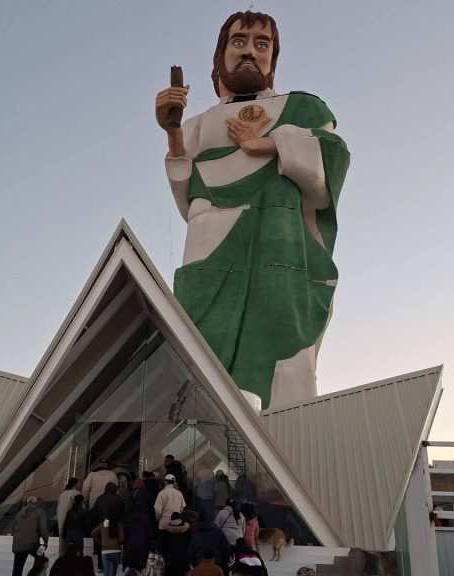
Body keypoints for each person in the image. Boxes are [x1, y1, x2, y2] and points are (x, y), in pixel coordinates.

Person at [155, 10, 350, 411]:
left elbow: (333, 158)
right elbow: (188, 192)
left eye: (262, 44)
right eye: (239, 42)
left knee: (283, 338)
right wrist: (173, 131)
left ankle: (285, 442)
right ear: (220, 56)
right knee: (201, 342)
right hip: (210, 247)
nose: (250, 52)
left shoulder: (302, 108)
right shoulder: (199, 123)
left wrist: (273, 144)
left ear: (273, 59)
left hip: (278, 249)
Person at [12, 496, 50, 576]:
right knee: (40, 560)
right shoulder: (40, 512)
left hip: (19, 543)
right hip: (33, 544)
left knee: (17, 568)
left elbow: (13, 528)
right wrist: (46, 541)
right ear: (36, 503)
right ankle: (33, 574)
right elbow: (43, 528)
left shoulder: (19, 513)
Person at [122, 504, 154, 573]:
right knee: (139, 570)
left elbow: (125, 535)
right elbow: (149, 536)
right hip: (142, 549)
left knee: (131, 571)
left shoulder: (128, 520)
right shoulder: (147, 520)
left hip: (130, 548)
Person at [160, 512, 193, 576]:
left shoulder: (166, 532)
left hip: (170, 562)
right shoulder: (187, 532)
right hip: (184, 561)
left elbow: (162, 548)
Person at [57, 478, 82, 555]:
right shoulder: (77, 493)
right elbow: (81, 508)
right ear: (75, 484)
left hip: (61, 520)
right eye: (79, 483)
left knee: (62, 541)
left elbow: (58, 508)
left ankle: (61, 558)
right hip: (73, 522)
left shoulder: (62, 494)